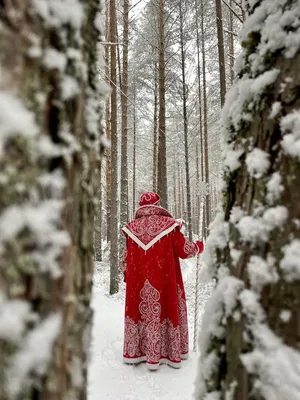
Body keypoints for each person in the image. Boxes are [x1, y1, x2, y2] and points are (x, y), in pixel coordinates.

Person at [121, 191, 204, 370]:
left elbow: (125, 261)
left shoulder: (131, 228)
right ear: (158, 205)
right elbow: (184, 249)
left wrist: (129, 276)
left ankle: (138, 352)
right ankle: (168, 353)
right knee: (165, 307)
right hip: (164, 283)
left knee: (141, 311)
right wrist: (198, 246)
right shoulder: (169, 226)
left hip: (139, 285)